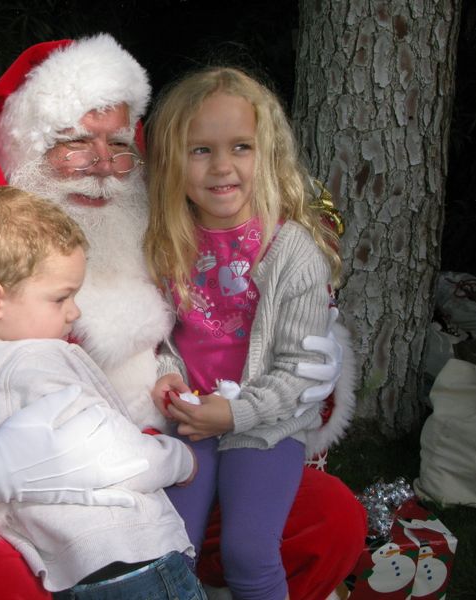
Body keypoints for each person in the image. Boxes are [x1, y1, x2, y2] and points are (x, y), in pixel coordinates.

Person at [0, 34, 366, 600]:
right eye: (75, 143)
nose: (104, 165)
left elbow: (230, 342)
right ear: (23, 144)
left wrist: (314, 377)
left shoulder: (156, 237)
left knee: (328, 520)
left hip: (161, 474)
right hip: (27, 516)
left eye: (118, 144)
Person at [0, 185, 205, 599]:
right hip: (131, 558)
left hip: (72, 570)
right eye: (61, 298)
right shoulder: (33, 364)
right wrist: (179, 460)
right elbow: (105, 456)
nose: (74, 312)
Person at [143, 66, 355, 600]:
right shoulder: (168, 241)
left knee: (249, 550)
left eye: (241, 146)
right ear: (172, 158)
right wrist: (169, 377)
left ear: (267, 154)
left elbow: (303, 371)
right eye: (200, 150)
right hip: (192, 419)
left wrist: (235, 413)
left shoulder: (294, 252)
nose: (222, 167)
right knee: (172, 546)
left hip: (268, 425)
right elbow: (160, 335)